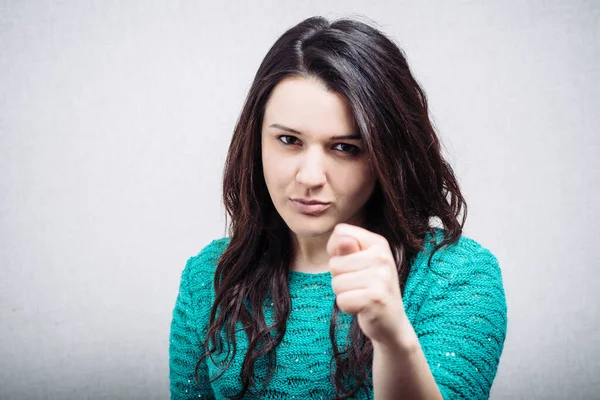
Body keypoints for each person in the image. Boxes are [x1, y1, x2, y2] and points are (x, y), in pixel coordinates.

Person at [169, 15, 507, 400]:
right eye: (288, 140)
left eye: (345, 148)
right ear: (255, 140)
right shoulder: (208, 279)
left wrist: (394, 340)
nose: (310, 176)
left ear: (387, 155)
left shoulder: (455, 276)